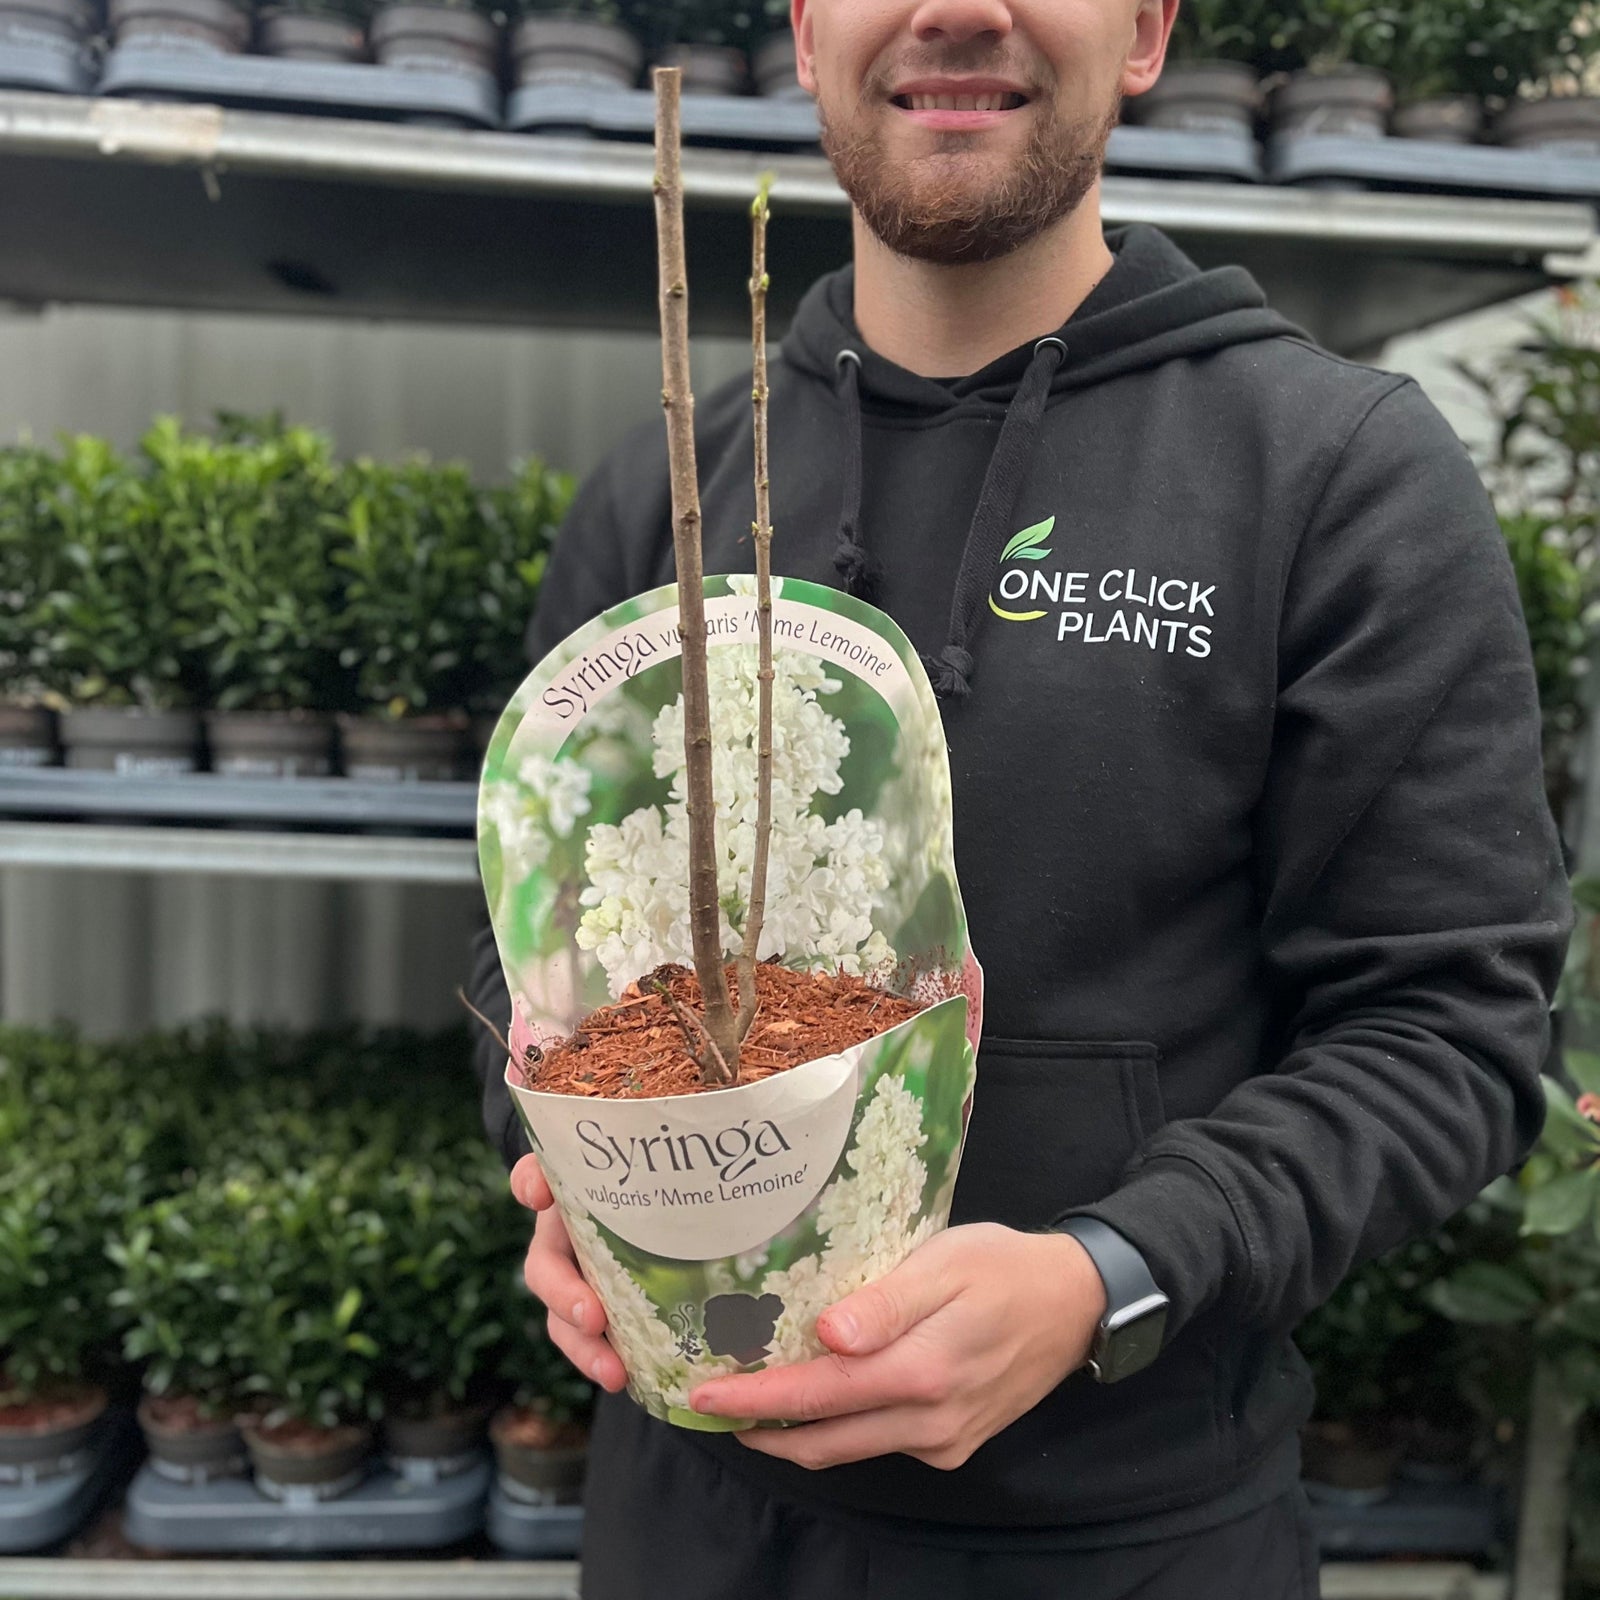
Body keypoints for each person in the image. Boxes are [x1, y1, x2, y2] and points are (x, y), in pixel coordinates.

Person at [466, 1, 1573, 1594]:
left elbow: (1451, 1027)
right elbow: (529, 941)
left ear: (1143, 31)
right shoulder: (670, 490)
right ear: (803, 30)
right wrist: (563, 1171)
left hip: (1126, 1535)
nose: (959, 7)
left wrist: (1106, 1275)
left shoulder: (1333, 473)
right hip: (690, 1524)